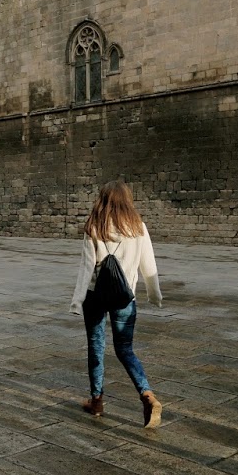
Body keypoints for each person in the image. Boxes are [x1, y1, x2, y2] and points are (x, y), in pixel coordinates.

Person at [68, 182, 164, 428]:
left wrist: (77, 300)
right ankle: (147, 394)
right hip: (125, 298)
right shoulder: (138, 228)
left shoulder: (95, 227)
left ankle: (97, 401)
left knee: (96, 347)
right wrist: (155, 296)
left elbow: (86, 269)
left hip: (96, 298)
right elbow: (149, 267)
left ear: (102, 200)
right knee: (125, 349)